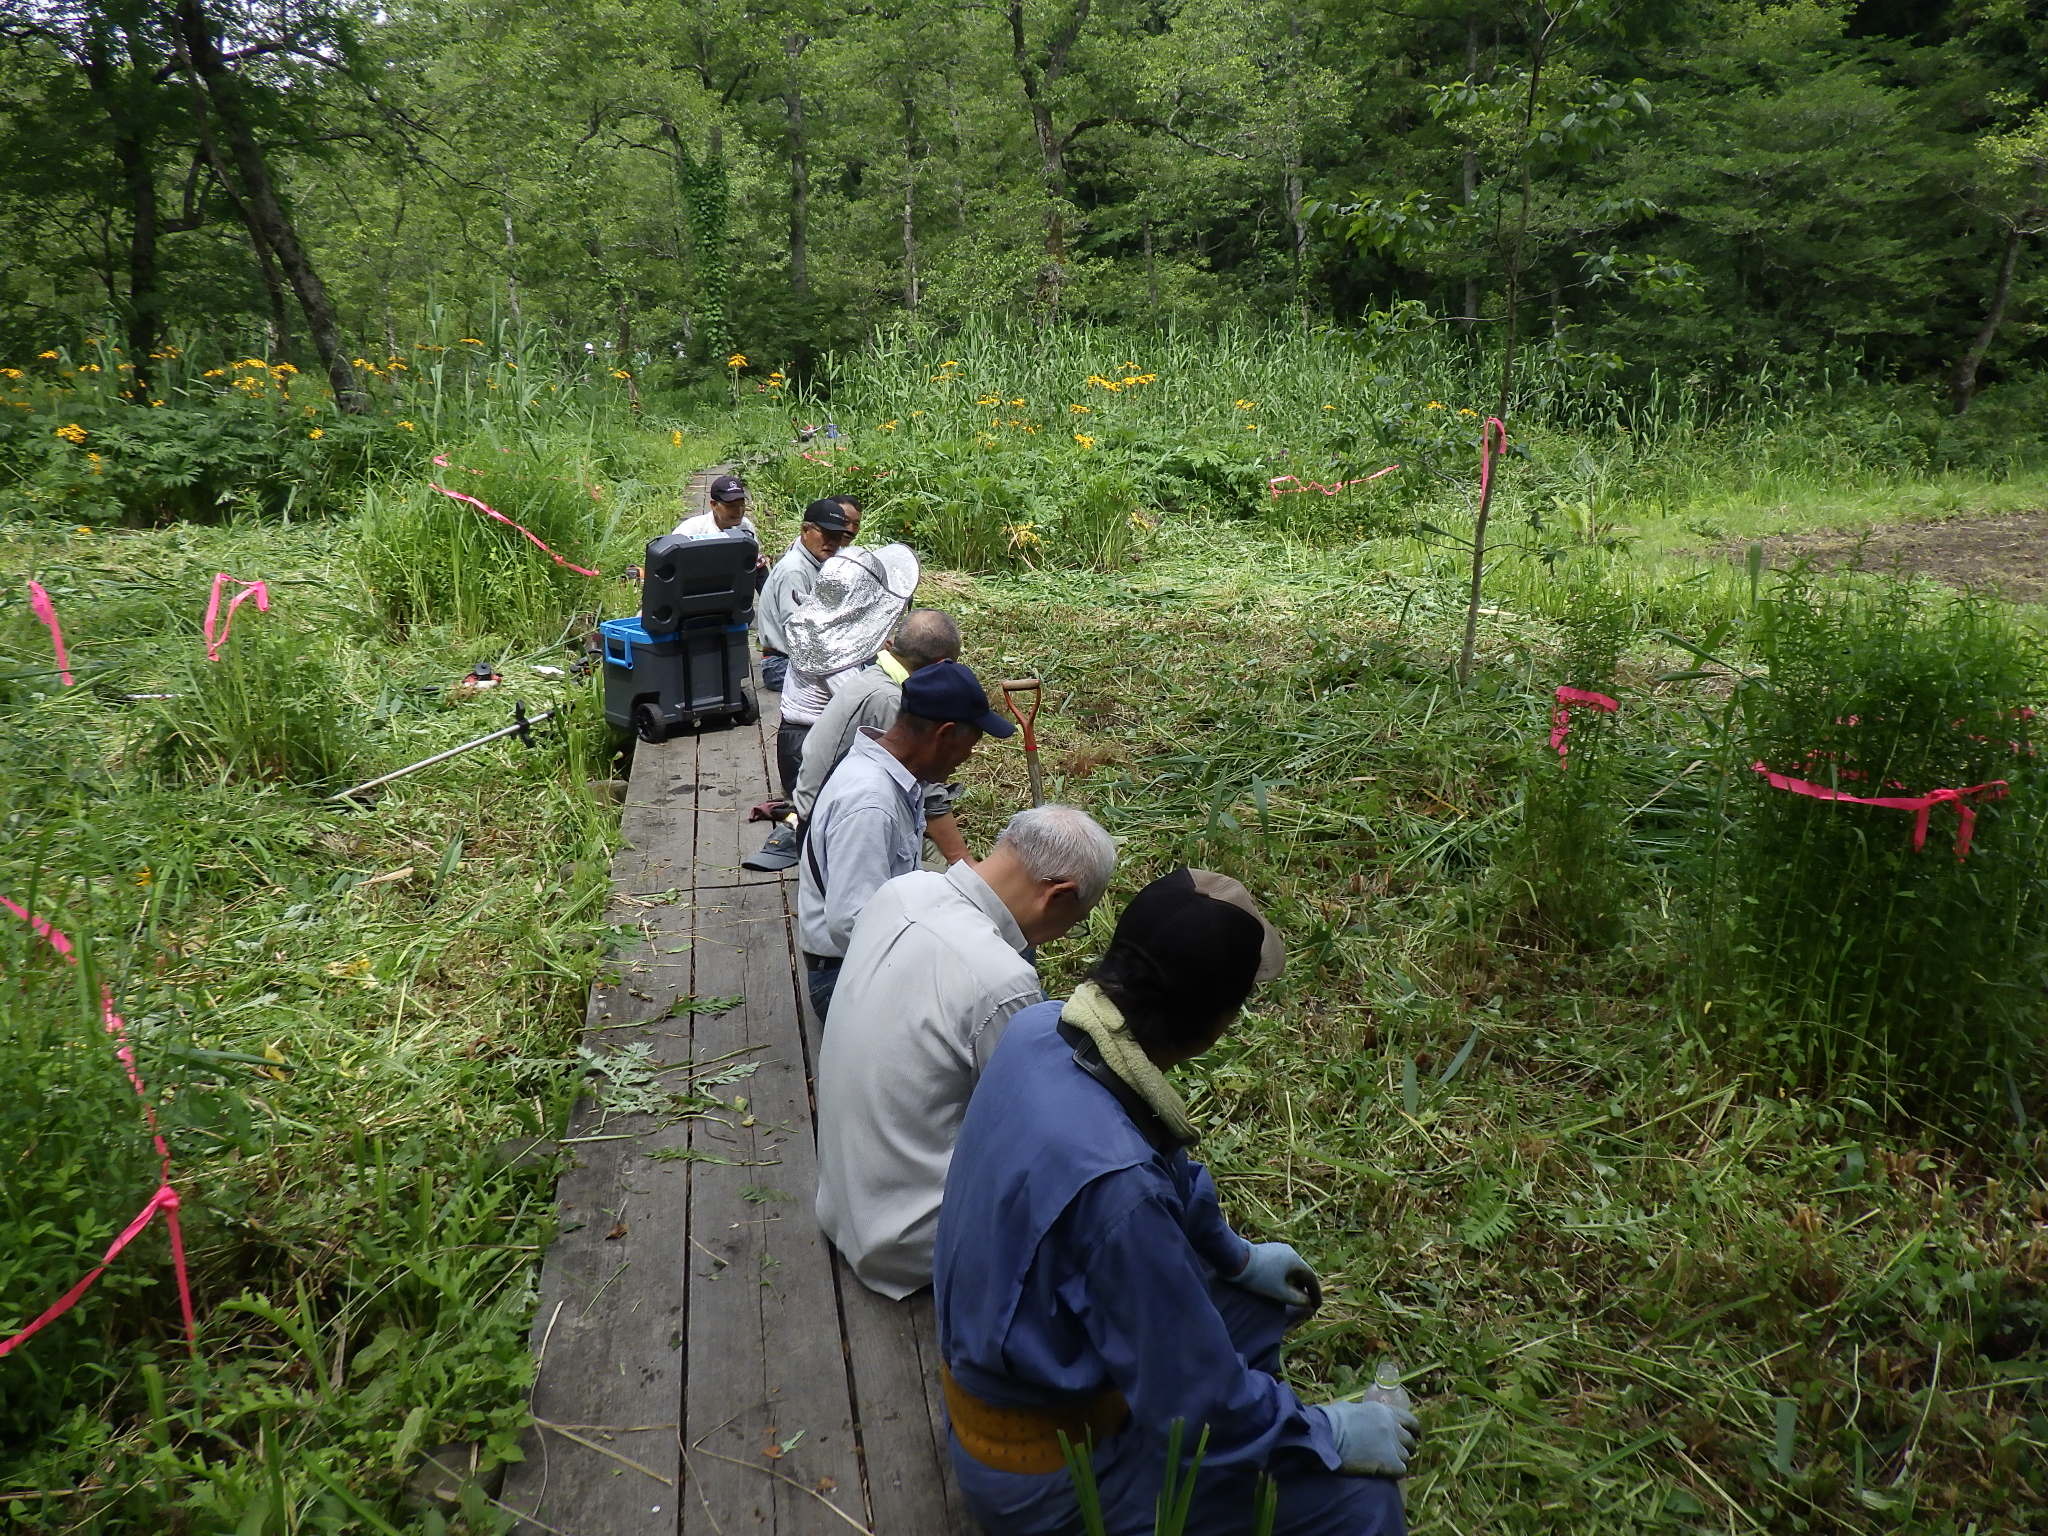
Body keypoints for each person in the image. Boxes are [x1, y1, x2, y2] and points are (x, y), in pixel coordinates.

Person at [932, 869, 1417, 1536]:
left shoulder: (1043, 1031)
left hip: (1011, 1379)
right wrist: (1325, 1431)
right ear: (1214, 1024)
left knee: (1253, 1301)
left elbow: (1161, 1152)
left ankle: (1251, 1439)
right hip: (1052, 1482)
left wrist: (1234, 1255)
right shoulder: (1119, 1195)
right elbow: (1198, 1412)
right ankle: (1245, 1458)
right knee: (1362, 1504)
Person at [815, 804, 1117, 1299]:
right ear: (1058, 896)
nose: (1068, 931)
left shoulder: (904, 890)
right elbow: (1028, 1130)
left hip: (844, 1202)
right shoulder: (1002, 980)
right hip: (915, 1240)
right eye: (1077, 920)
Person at [796, 660, 1014, 1020]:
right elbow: (852, 925)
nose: (968, 758)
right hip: (843, 979)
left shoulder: (890, 773)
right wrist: (948, 949)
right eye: (969, 745)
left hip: (867, 958)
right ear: (944, 734)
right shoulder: (871, 803)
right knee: (993, 994)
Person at [745, 545, 923, 872]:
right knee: (828, 843)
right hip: (813, 744)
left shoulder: (820, 626)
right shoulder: (828, 650)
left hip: (803, 738)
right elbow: (859, 701)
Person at [757, 497, 859, 693]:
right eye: (826, 534)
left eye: (837, 537)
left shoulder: (818, 562)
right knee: (853, 689)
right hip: (782, 665)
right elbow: (798, 633)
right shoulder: (795, 570)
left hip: (805, 661)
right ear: (805, 530)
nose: (831, 542)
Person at [671, 473, 759, 542]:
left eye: (741, 505)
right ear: (714, 505)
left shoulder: (746, 527)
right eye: (731, 506)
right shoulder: (691, 530)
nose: (739, 511)